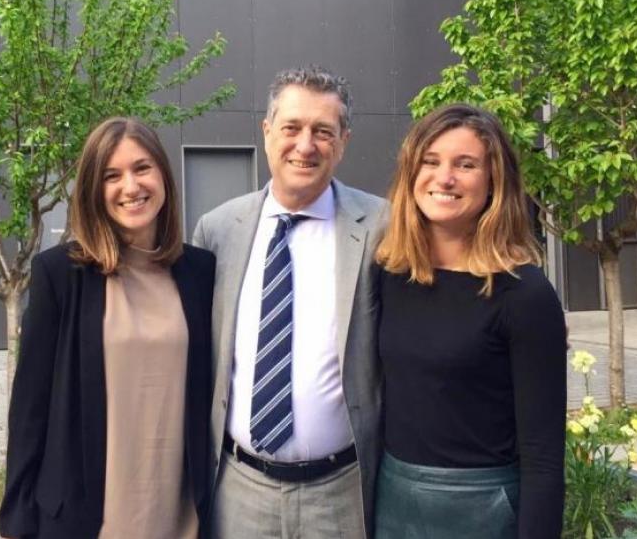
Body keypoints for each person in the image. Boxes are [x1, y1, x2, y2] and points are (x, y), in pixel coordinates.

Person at [192, 66, 386, 538]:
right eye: (292, 128)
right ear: (266, 132)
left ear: (343, 141)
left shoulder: (385, 227)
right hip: (240, 490)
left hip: (339, 493)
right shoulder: (216, 230)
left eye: (323, 131)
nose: (305, 145)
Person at [0, 117, 215, 539]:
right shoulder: (60, 275)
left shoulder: (200, 272)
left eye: (142, 168)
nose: (131, 187)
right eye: (111, 176)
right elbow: (29, 411)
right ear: (94, 191)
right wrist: (17, 521)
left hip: (181, 516)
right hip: (87, 518)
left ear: (164, 176)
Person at [373, 103, 566, 539]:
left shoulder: (524, 294)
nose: (445, 178)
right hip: (393, 505)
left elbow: (543, 456)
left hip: (484, 511)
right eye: (431, 161)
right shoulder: (389, 275)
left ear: (494, 180)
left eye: (466, 164)